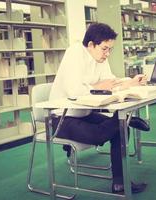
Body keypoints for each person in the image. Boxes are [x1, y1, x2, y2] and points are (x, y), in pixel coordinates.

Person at [49, 22, 147, 194]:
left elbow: (111, 82)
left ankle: (120, 183)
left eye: (110, 49)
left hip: (84, 113)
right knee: (104, 132)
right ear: (91, 45)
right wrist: (100, 85)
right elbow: (75, 92)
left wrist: (130, 82)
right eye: (104, 49)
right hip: (62, 118)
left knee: (121, 128)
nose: (107, 54)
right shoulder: (74, 53)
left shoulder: (100, 58)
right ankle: (129, 120)